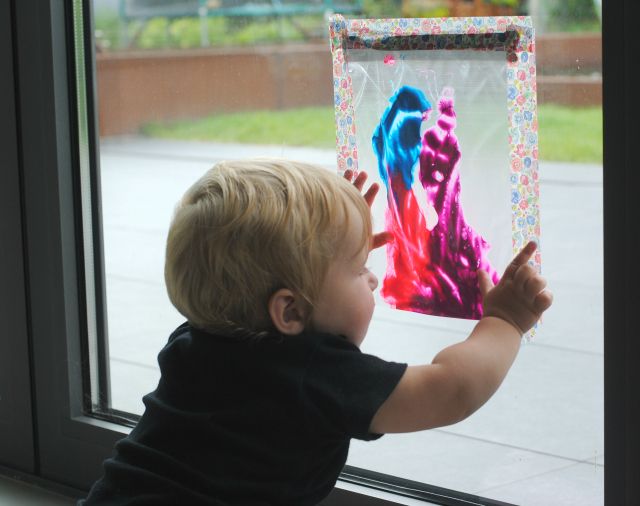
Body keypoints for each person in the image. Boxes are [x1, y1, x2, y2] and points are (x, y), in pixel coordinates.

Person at [80, 158, 553, 506]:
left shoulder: (194, 340)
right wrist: (505, 320)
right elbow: (453, 389)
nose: (372, 277)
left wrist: (329, 251)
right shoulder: (311, 373)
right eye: (358, 268)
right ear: (289, 311)